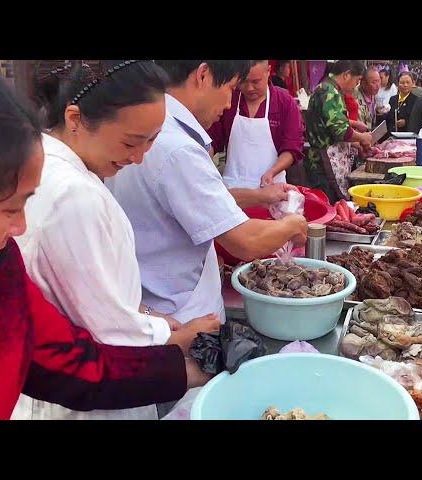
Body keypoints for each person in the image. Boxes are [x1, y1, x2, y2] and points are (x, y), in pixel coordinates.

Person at [0, 73, 210, 420]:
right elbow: (107, 332)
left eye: (150, 143)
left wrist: (187, 364)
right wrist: (178, 337)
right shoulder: (72, 194)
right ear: (75, 119)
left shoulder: (5, 264)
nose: (138, 158)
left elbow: (62, 355)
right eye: (130, 143)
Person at [108, 60, 307, 329]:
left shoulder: (150, 129)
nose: (228, 103)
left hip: (154, 305)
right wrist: (291, 225)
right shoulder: (178, 148)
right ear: (203, 75)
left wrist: (262, 197)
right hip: (181, 319)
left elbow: (199, 197)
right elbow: (245, 241)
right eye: (230, 87)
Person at [207, 60, 304, 188]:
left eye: (255, 82)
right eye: (244, 81)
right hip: (234, 191)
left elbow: (292, 147)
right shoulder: (230, 99)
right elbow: (212, 140)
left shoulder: (285, 103)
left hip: (272, 188)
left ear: (268, 71)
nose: (249, 88)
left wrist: (272, 172)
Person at [304, 60, 373, 203]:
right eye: (357, 80)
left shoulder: (329, 89)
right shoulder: (328, 91)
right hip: (322, 163)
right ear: (347, 75)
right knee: (330, 207)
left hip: (326, 159)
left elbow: (328, 121)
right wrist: (362, 138)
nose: (357, 85)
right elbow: (340, 132)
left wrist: (353, 124)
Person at [353, 66, 380, 131]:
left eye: (379, 81)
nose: (377, 85)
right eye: (374, 82)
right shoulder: (355, 97)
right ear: (364, 83)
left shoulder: (372, 94)